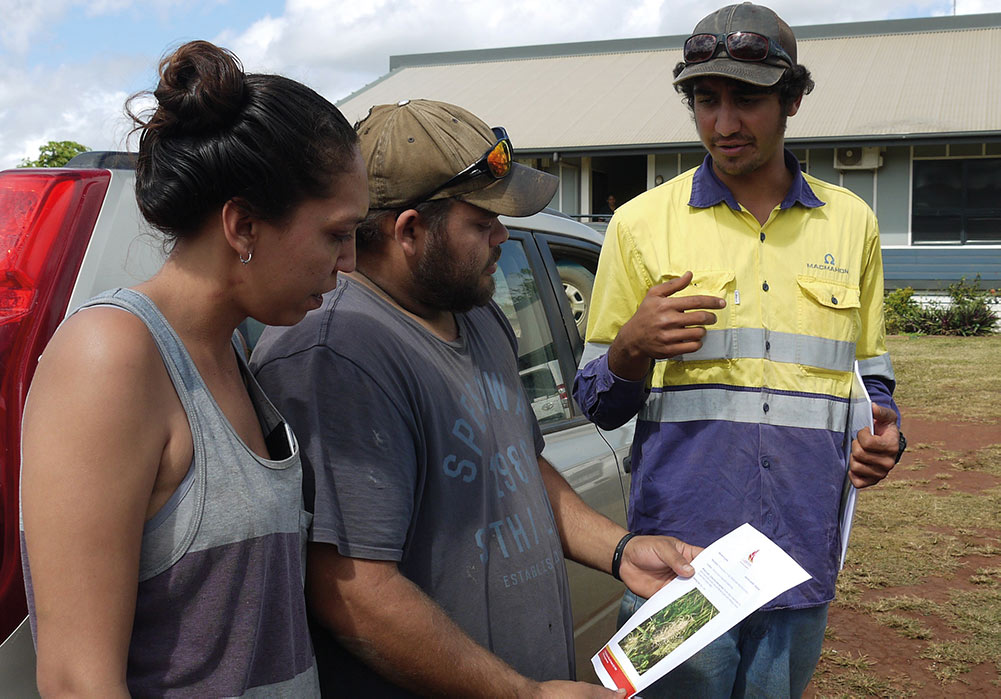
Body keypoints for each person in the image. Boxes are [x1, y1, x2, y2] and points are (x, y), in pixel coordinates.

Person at [250, 99, 700, 697]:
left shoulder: (478, 313)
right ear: (409, 230)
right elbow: (352, 590)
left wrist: (620, 552)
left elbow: (516, 464)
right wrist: (524, 694)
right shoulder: (336, 353)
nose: (503, 236)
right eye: (483, 222)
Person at [573, 3, 904, 697]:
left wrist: (885, 432)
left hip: (798, 550)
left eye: (746, 99)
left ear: (792, 98)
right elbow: (598, 402)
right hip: (680, 561)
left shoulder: (852, 224)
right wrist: (630, 346)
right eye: (705, 100)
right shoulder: (637, 226)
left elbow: (867, 377)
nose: (723, 123)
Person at [19, 40, 367, 696]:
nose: (347, 262)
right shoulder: (111, 358)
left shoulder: (230, 351)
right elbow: (74, 679)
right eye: (335, 233)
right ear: (243, 226)